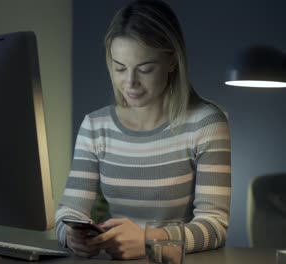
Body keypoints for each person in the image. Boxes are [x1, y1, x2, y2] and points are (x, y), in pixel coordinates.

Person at [55, 0, 231, 260]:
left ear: (172, 61)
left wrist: (150, 240)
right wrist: (71, 237)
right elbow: (68, 213)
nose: (130, 83)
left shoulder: (206, 123)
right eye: (119, 68)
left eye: (145, 69)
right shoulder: (95, 126)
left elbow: (214, 226)